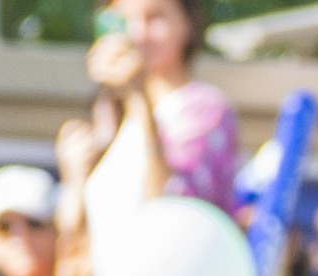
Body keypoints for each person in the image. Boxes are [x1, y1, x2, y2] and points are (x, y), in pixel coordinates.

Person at [60, 0, 239, 228]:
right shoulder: (110, 113)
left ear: (187, 24)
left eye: (155, 18)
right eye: (124, 19)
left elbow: (175, 211)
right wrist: (73, 179)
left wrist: (139, 98)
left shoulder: (205, 109)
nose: (138, 33)